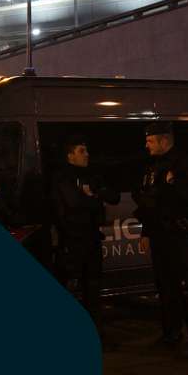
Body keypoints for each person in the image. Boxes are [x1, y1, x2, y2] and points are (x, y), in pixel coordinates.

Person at [133, 122, 188, 360]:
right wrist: (145, 232)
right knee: (164, 287)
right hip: (159, 235)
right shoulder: (153, 166)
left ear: (164, 140)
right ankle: (171, 335)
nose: (146, 144)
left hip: (179, 235)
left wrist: (174, 184)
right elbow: (148, 203)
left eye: (151, 140)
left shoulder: (184, 163)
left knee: (187, 287)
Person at [50, 136, 119, 346]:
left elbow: (113, 197)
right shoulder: (62, 177)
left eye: (86, 150)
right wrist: (93, 198)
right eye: (82, 151)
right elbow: (73, 203)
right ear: (70, 155)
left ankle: (97, 333)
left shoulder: (91, 175)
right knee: (72, 287)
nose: (86, 154)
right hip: (73, 241)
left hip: (91, 239)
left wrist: (92, 195)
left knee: (94, 289)